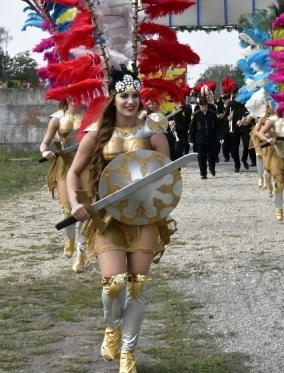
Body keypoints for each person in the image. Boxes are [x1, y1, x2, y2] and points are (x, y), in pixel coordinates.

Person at [66, 65, 175, 373]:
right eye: (124, 95)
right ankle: (112, 326)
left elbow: (168, 174)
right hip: (108, 217)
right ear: (113, 98)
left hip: (144, 218)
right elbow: (74, 173)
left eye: (135, 95)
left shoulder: (153, 132)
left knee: (136, 287)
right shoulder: (96, 133)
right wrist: (76, 202)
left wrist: (156, 132)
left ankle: (128, 353)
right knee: (113, 286)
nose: (130, 101)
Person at [39, 99, 89, 272]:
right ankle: (70, 238)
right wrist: (45, 151)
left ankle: (81, 253)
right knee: (67, 209)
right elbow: (45, 143)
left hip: (85, 167)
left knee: (85, 209)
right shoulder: (57, 118)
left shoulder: (91, 116)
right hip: (64, 167)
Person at [256, 110, 284, 225]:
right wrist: (267, 139)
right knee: (279, 185)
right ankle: (278, 207)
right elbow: (260, 132)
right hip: (277, 154)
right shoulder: (273, 120)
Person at [189, 96, 219, 179]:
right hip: (200, 139)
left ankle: (212, 168)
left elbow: (217, 126)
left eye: (205, 106)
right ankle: (203, 173)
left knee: (212, 156)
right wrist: (190, 139)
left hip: (211, 139)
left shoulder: (212, 113)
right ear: (199, 106)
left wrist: (220, 137)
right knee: (201, 157)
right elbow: (192, 128)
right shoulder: (196, 115)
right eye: (202, 106)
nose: (204, 108)